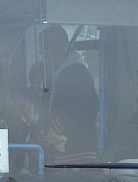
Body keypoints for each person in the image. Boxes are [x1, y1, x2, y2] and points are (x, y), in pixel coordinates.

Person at [35, 25, 98, 155]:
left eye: (46, 47)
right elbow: (48, 107)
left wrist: (57, 128)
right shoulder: (51, 75)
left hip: (79, 151)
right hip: (58, 150)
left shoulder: (78, 73)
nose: (42, 53)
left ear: (61, 47)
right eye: (42, 48)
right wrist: (42, 128)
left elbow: (87, 108)